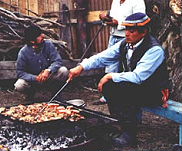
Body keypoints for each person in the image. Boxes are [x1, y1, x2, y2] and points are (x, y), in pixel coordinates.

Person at [68, 13, 170, 147]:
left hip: (155, 91)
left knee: (120, 87)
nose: (127, 33)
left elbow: (138, 76)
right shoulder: (126, 44)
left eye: (131, 31)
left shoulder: (154, 50)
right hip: (138, 86)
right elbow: (103, 57)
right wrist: (81, 67)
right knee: (110, 87)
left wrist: (111, 75)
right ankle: (120, 124)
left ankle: (129, 135)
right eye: (126, 29)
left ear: (143, 32)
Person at [97, 0, 146, 104]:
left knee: (126, 66)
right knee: (111, 66)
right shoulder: (116, 1)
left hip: (128, 38)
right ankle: (108, 94)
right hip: (114, 36)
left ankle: (126, 95)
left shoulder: (137, 1)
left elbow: (140, 21)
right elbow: (113, 17)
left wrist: (119, 23)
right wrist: (106, 17)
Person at [14, 25, 69, 101]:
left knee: (63, 71)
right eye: (39, 36)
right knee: (19, 85)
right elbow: (20, 73)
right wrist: (35, 78)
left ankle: (55, 94)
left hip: (49, 77)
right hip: (33, 81)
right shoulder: (23, 52)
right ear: (32, 41)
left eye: (41, 33)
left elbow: (58, 61)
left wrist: (48, 70)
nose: (43, 36)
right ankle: (30, 94)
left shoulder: (48, 44)